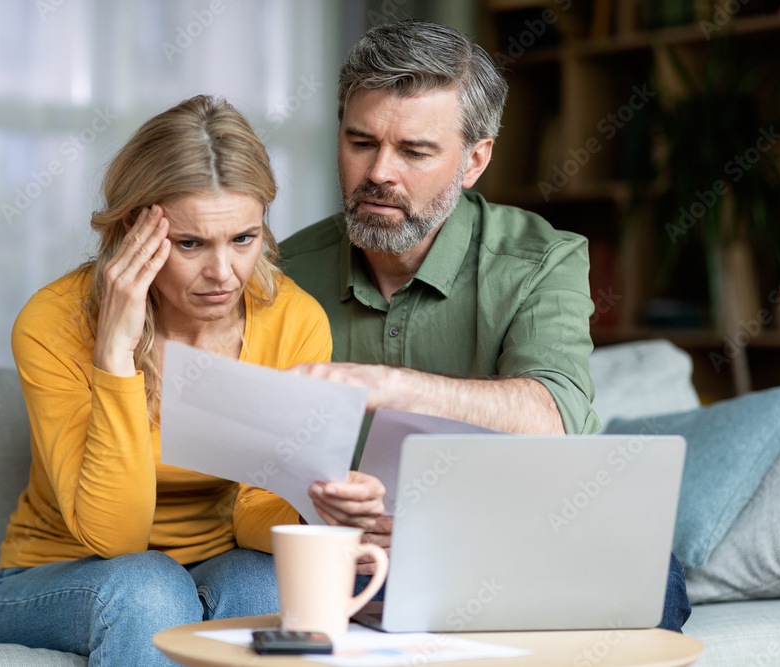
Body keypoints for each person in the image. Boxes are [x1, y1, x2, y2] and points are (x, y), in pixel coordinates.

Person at [279, 20, 691, 631]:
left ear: (475, 160)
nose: (379, 173)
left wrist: (388, 387)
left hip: (509, 533)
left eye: (415, 151)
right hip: (349, 545)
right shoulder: (280, 270)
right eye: (360, 141)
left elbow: (551, 418)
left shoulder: (543, 259)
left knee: (655, 586)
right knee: (256, 585)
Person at [0, 95, 331, 665]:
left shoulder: (294, 320)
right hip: (57, 574)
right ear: (131, 231)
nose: (224, 274)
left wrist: (320, 505)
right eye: (190, 244)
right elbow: (113, 538)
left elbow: (261, 521)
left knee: (269, 586)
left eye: (243, 238)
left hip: (214, 563)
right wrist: (114, 351)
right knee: (150, 586)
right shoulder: (52, 321)